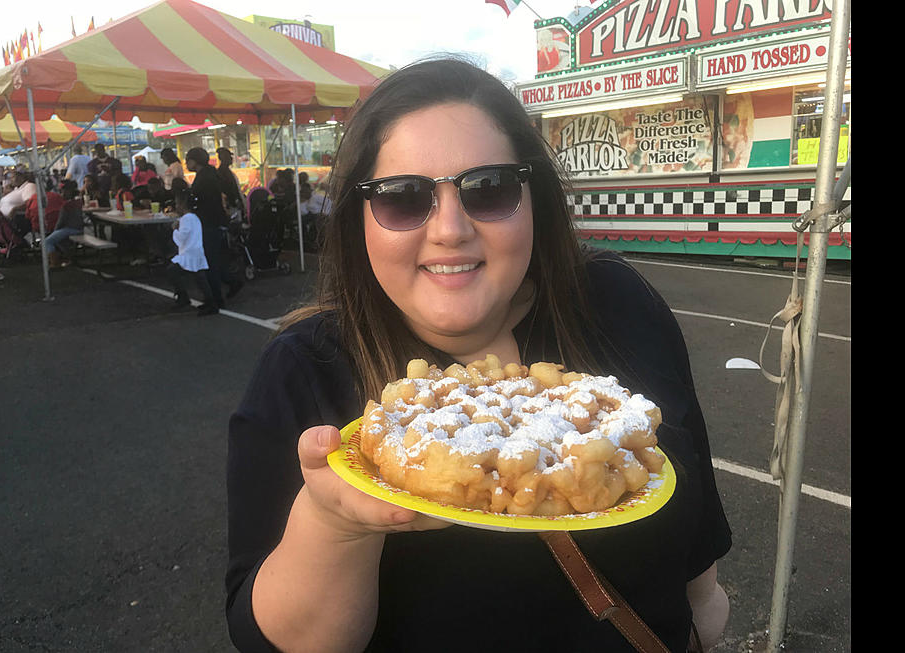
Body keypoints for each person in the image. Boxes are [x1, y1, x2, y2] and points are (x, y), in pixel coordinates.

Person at [226, 58, 732, 653]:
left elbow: (688, 498)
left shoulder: (617, 303)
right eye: (402, 198)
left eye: (488, 189)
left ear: (533, 198)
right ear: (358, 219)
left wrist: (702, 614)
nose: (450, 229)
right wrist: (334, 525)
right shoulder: (303, 372)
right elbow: (283, 642)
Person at [185, 146, 242, 308]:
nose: (187, 163)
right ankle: (229, 284)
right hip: (215, 222)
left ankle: (216, 299)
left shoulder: (205, 179)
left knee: (209, 262)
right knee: (214, 260)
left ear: (195, 161)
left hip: (208, 223)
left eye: (188, 159)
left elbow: (198, 200)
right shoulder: (211, 174)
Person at [166, 190, 216, 315]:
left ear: (182, 204)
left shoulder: (186, 219)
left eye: (177, 203)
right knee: (200, 277)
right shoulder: (194, 218)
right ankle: (210, 302)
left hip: (189, 253)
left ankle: (184, 297)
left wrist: (174, 230)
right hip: (196, 251)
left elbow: (182, 237)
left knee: (173, 271)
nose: (176, 206)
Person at [43, 180, 86, 269]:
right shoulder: (78, 202)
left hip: (70, 229)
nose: (61, 193)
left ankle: (54, 263)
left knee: (47, 241)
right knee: (59, 241)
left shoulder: (66, 205)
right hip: (79, 228)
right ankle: (68, 259)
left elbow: (60, 221)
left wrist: (54, 231)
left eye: (62, 191)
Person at [216, 147, 245, 221]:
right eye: (229, 157)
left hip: (234, 205)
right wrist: (236, 201)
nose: (231, 159)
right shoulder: (222, 173)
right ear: (223, 158)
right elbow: (228, 191)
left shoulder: (227, 172)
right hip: (231, 207)